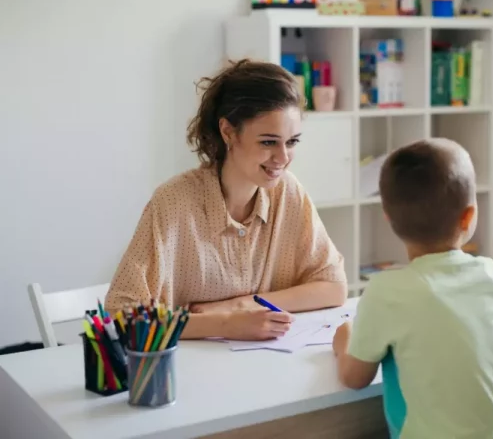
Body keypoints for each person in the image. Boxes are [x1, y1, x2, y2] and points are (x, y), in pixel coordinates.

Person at [105, 59, 347, 341]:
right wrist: (226, 325)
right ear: (228, 132)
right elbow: (122, 317)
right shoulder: (173, 202)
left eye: (292, 142)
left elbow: (333, 287)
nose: (283, 158)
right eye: (268, 142)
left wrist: (242, 304)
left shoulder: (288, 193)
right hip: (189, 372)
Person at [332, 138, 493, 439]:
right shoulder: (491, 273)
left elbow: (354, 377)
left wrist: (344, 339)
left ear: (388, 218)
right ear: (469, 216)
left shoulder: (386, 292)